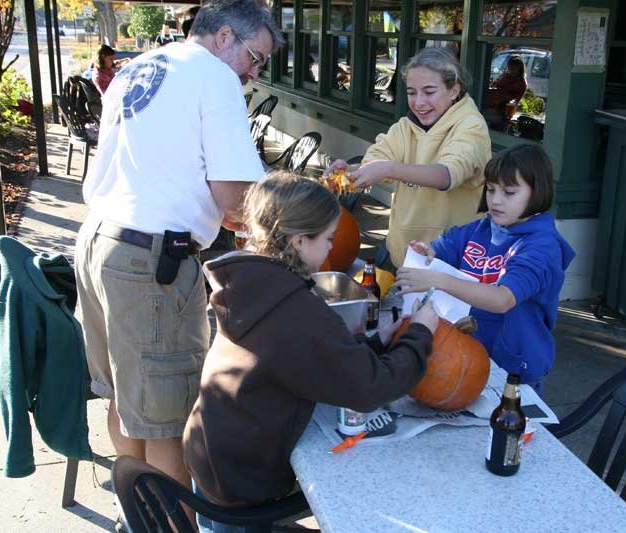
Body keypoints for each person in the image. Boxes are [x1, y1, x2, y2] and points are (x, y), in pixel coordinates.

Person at [74, 0, 282, 520]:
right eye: (255, 58)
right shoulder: (214, 78)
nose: (254, 74)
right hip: (151, 262)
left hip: (99, 239)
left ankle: (138, 515)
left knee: (123, 399)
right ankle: (170, 525)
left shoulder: (141, 65)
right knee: (167, 419)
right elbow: (235, 199)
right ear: (225, 37)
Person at [183, 173, 438, 532]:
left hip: (213, 454)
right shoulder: (295, 309)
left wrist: (377, 340)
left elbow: (310, 356)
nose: (333, 249)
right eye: (328, 239)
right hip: (244, 482)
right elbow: (370, 388)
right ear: (299, 241)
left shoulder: (255, 282)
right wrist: (421, 334)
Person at [395, 144, 575, 396]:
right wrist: (428, 254)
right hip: (466, 357)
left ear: (538, 192)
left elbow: (503, 299)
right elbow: (445, 248)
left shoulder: (542, 247)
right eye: (491, 190)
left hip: (515, 371)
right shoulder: (480, 229)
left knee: (506, 433)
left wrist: (439, 279)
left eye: (509, 192)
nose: (496, 200)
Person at [324, 47, 491, 270]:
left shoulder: (471, 127)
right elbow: (376, 163)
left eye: (429, 92)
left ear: (454, 90)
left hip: (452, 264)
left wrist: (389, 169)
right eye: (412, 92)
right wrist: (347, 173)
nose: (419, 102)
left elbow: (448, 174)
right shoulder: (405, 127)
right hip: (405, 258)